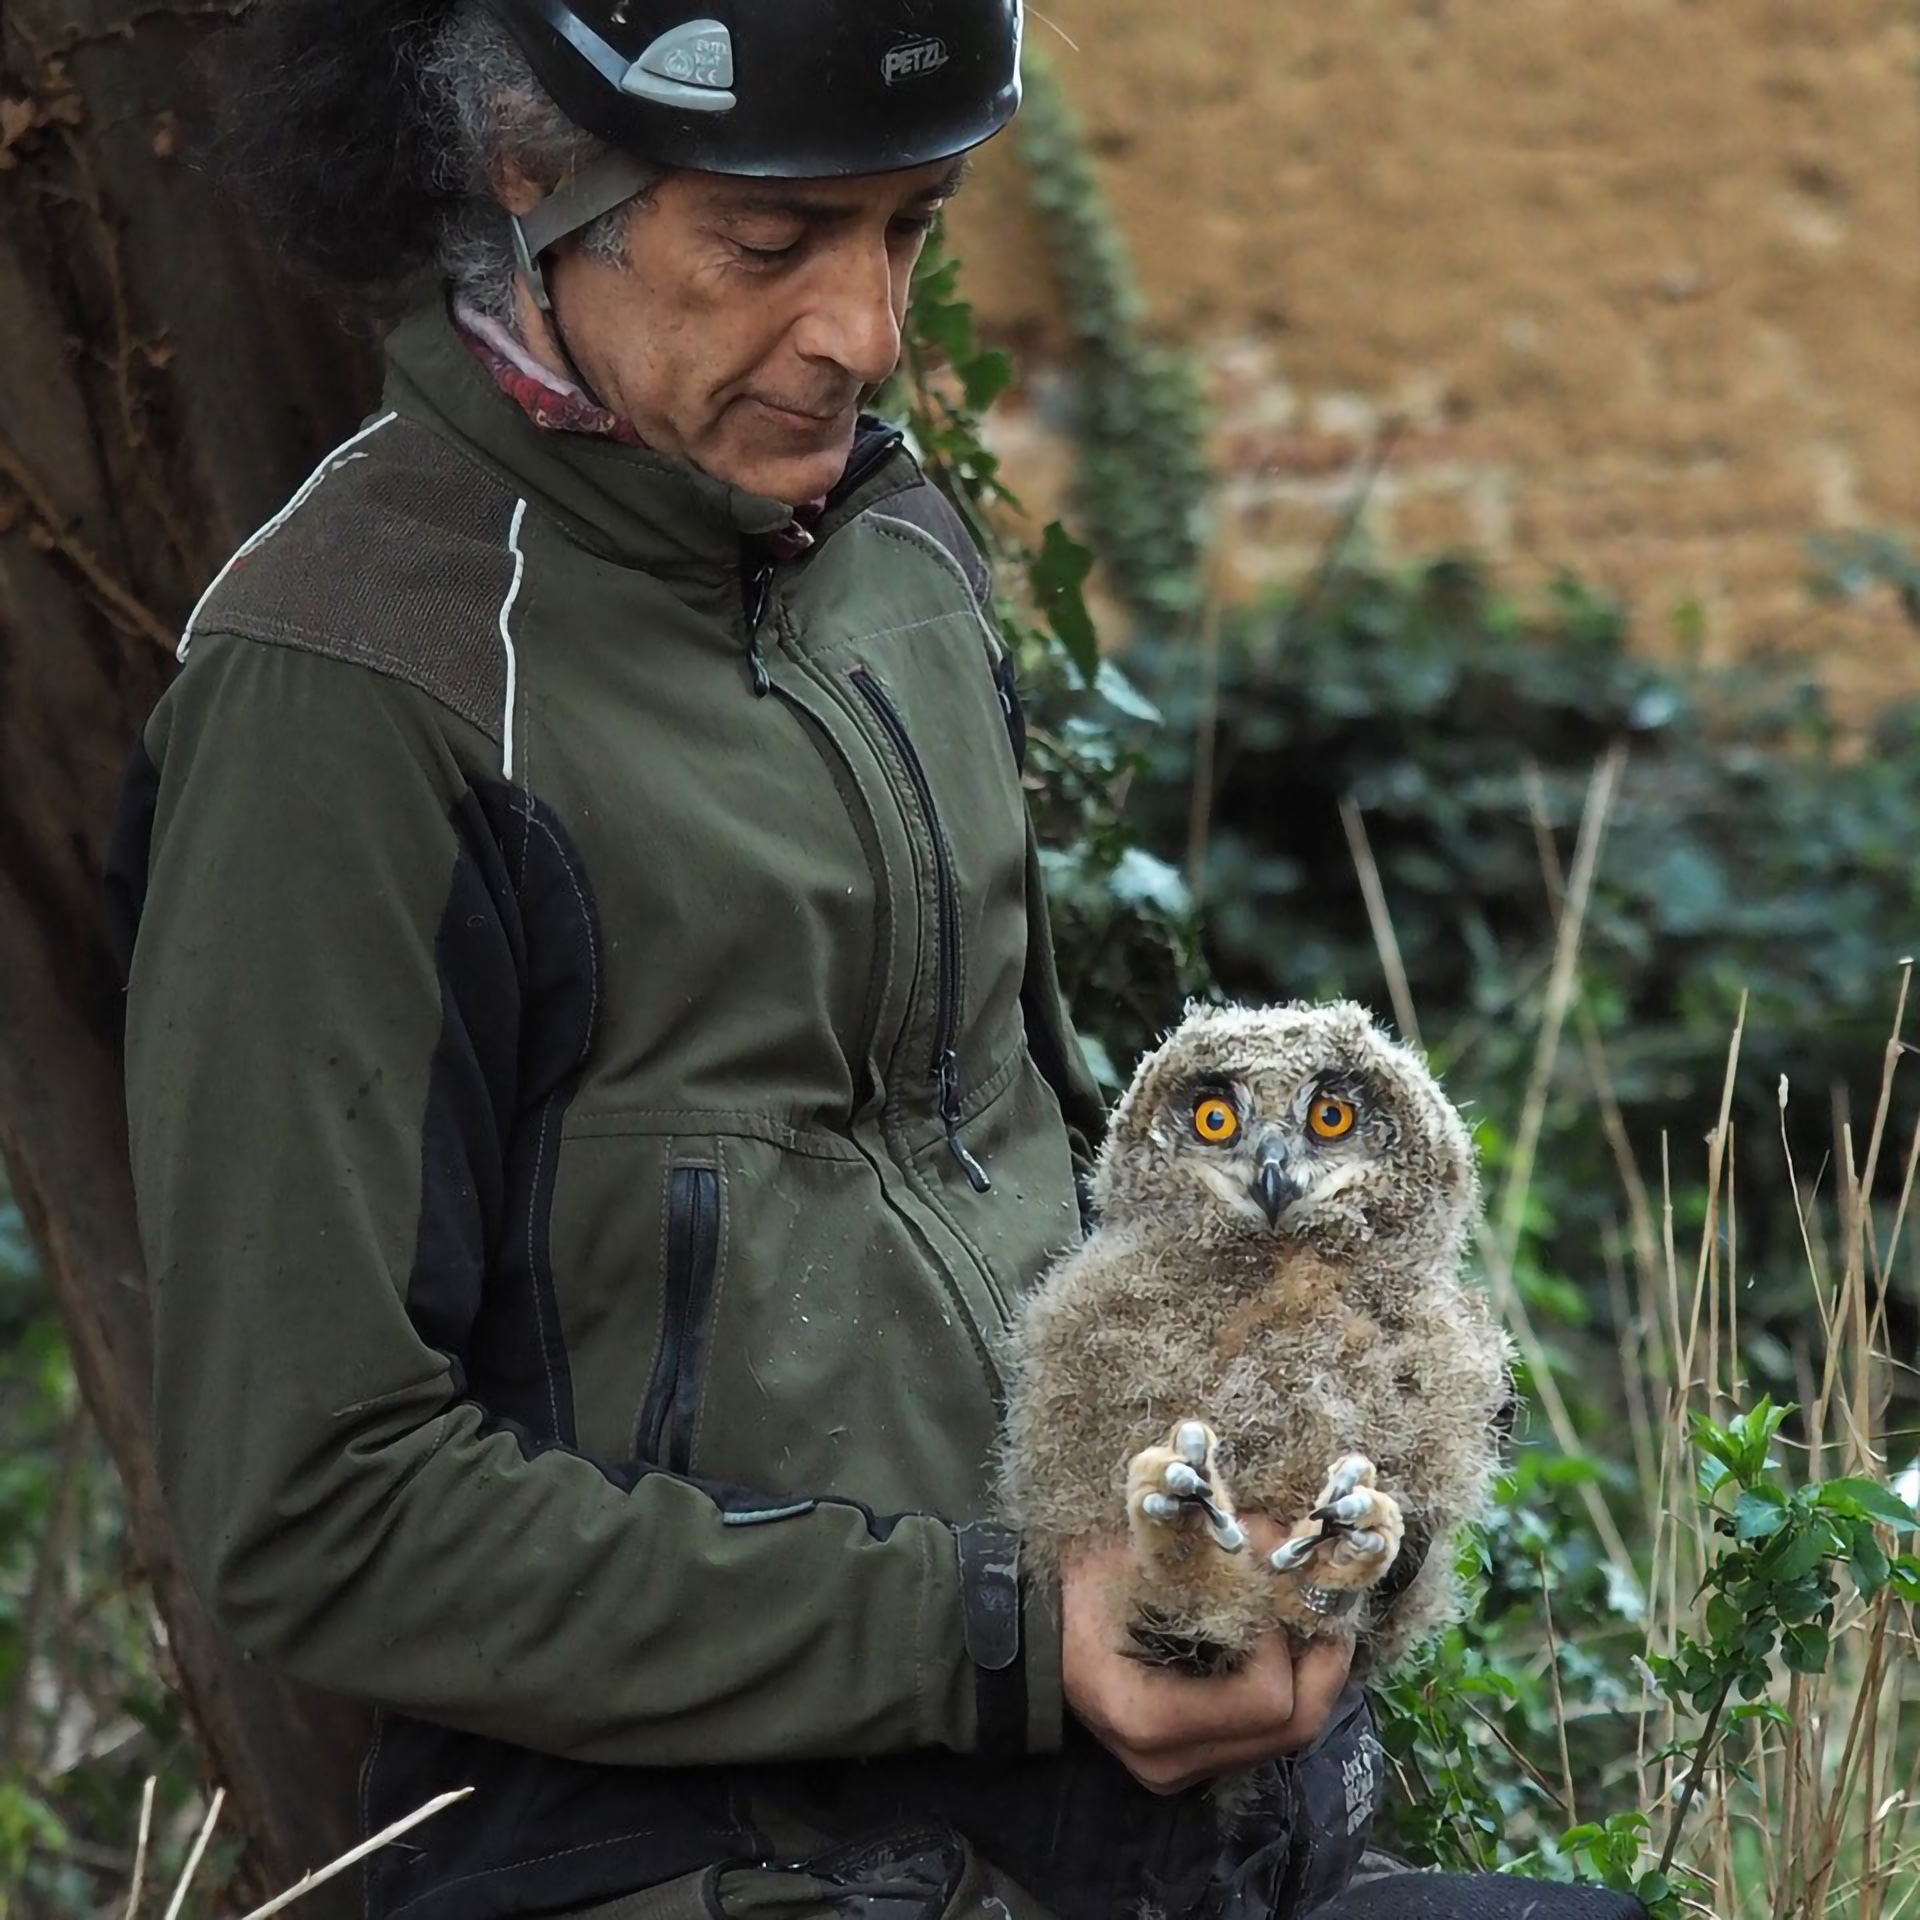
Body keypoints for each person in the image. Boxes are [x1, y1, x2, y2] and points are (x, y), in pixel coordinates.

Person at [106, 3, 1647, 1917]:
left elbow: (1052, 1187)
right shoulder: (351, 691)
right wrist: (997, 1635)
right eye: (771, 244)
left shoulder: (891, 550)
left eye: (910, 228)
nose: (863, 330)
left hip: (1091, 1808)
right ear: (527, 184)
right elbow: (319, 1515)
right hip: (680, 1856)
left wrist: (1259, 1513)